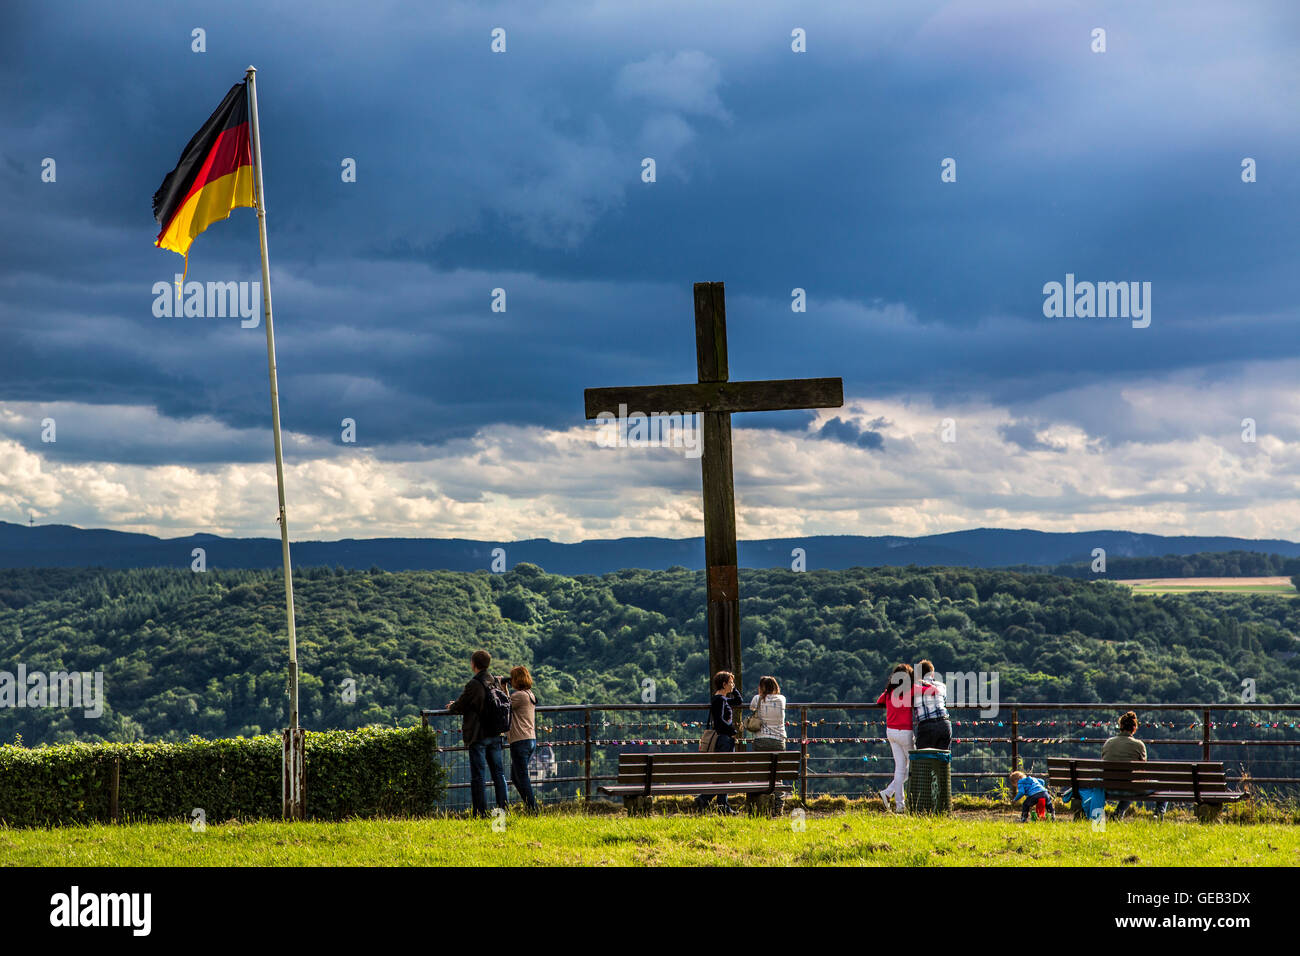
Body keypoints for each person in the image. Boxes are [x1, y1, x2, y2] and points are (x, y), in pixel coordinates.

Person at [447, 649, 508, 818]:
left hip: (478, 734)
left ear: (474, 664)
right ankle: (502, 811)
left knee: (479, 776)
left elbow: (461, 704)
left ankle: (480, 812)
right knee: (499, 774)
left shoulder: (474, 684)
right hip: (495, 733)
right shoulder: (494, 681)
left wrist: (452, 706)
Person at [1102, 710, 1167, 819]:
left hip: (1109, 787)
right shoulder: (1138, 745)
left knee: (1128, 782)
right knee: (1160, 786)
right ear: (1134, 728)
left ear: (1120, 726)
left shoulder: (1108, 742)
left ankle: (1118, 814)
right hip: (1131, 787)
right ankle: (1158, 815)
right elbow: (1142, 769)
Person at [695, 671, 744, 814]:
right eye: (731, 682)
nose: (733, 685)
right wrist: (733, 731)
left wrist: (734, 689)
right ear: (724, 684)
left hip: (724, 738)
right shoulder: (720, 700)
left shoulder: (721, 699)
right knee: (725, 773)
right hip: (724, 739)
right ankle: (718, 804)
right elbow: (719, 722)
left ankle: (710, 801)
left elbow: (738, 701)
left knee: (724, 773)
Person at [875, 663, 915, 813]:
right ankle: (889, 793)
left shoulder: (889, 692)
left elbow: (879, 701)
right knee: (914, 766)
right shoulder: (910, 691)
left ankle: (899, 804)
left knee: (899, 769)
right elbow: (931, 691)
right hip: (906, 732)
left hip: (891, 732)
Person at [507, 665, 539, 813]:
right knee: (516, 776)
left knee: (522, 777)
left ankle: (533, 809)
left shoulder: (519, 696)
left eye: (512, 678)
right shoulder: (529, 694)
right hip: (530, 739)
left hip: (520, 741)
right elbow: (507, 701)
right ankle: (529, 805)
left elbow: (502, 705)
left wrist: (502, 687)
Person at [912, 660, 952, 751]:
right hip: (944, 723)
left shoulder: (913, 688)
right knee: (942, 759)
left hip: (925, 725)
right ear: (932, 674)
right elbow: (944, 700)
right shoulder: (941, 686)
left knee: (924, 760)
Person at [748, 676, 787, 751]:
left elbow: (752, 707)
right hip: (779, 741)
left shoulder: (757, 698)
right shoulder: (782, 699)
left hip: (761, 740)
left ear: (761, 687)